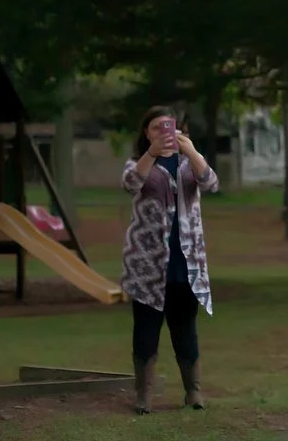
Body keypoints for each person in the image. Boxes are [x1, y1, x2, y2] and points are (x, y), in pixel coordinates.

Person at [120, 108, 219, 413]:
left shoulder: (190, 163)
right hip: (148, 264)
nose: (163, 133)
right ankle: (144, 396)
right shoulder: (138, 163)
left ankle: (193, 392)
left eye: (170, 127)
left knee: (185, 327)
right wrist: (150, 154)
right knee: (146, 329)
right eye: (155, 128)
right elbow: (131, 183)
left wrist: (192, 151)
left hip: (186, 262)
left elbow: (211, 184)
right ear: (146, 133)